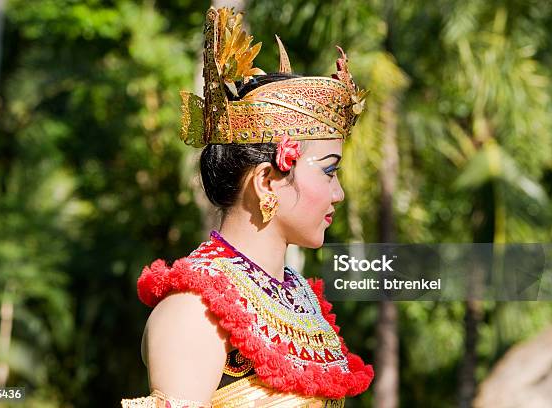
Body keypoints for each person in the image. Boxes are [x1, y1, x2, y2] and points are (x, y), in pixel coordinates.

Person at [121, 6, 373, 408]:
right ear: (267, 181)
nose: (338, 193)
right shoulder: (194, 311)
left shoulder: (302, 301)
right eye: (328, 172)